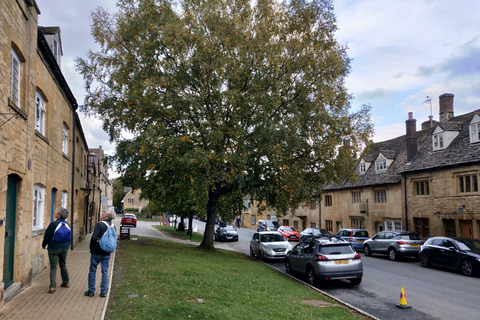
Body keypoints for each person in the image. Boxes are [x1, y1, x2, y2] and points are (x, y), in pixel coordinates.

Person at [85, 208, 116, 297]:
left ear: (107, 215)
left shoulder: (99, 224)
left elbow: (94, 238)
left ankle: (91, 291)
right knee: (105, 271)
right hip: (107, 252)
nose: (103, 213)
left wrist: (91, 247)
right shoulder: (113, 226)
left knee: (92, 270)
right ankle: (103, 291)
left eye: (104, 212)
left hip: (96, 251)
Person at [42, 207, 71, 294]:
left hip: (53, 248)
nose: (55, 212)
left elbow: (47, 235)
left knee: (53, 267)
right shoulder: (67, 224)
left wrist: (44, 244)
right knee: (63, 264)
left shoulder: (53, 224)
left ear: (59, 214)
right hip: (64, 248)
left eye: (57, 212)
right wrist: (67, 247)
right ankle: (65, 282)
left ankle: (52, 286)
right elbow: (69, 238)